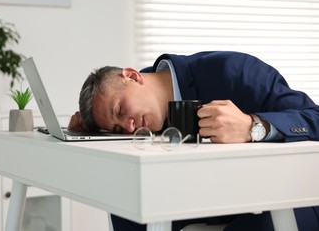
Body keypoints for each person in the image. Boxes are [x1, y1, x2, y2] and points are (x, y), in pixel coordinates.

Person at [68, 51, 319, 230]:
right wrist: (89, 128)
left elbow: (314, 118)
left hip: (285, 196)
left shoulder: (233, 70)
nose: (129, 127)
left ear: (133, 76)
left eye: (121, 111)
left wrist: (253, 126)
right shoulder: (137, 108)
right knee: (125, 205)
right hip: (209, 199)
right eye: (117, 128)